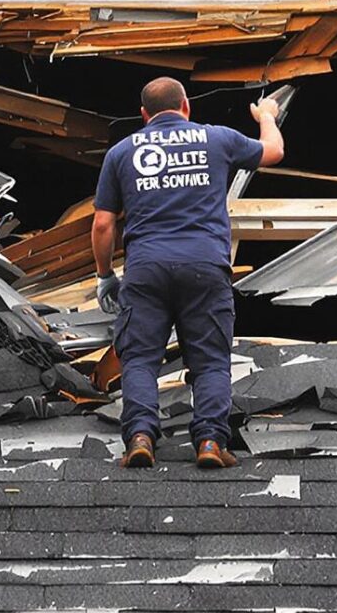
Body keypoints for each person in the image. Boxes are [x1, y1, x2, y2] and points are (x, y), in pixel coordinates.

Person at [91, 77, 284, 469]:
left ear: (144, 116)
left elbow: (102, 225)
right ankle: (211, 442)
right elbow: (274, 151)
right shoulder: (217, 139)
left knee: (141, 359)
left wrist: (104, 275)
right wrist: (266, 116)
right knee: (211, 361)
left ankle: (141, 438)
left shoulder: (121, 152)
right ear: (187, 107)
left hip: (147, 270)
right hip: (205, 267)